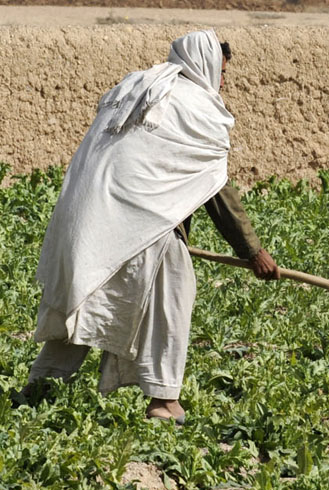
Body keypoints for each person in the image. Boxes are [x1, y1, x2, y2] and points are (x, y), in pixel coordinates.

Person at [21, 29, 278, 424]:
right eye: (221, 72)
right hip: (142, 226)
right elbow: (218, 193)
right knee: (172, 298)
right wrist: (253, 251)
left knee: (87, 299)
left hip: (89, 221)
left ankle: (41, 386)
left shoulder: (136, 86)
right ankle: (163, 401)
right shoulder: (195, 108)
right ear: (206, 65)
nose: (222, 81)